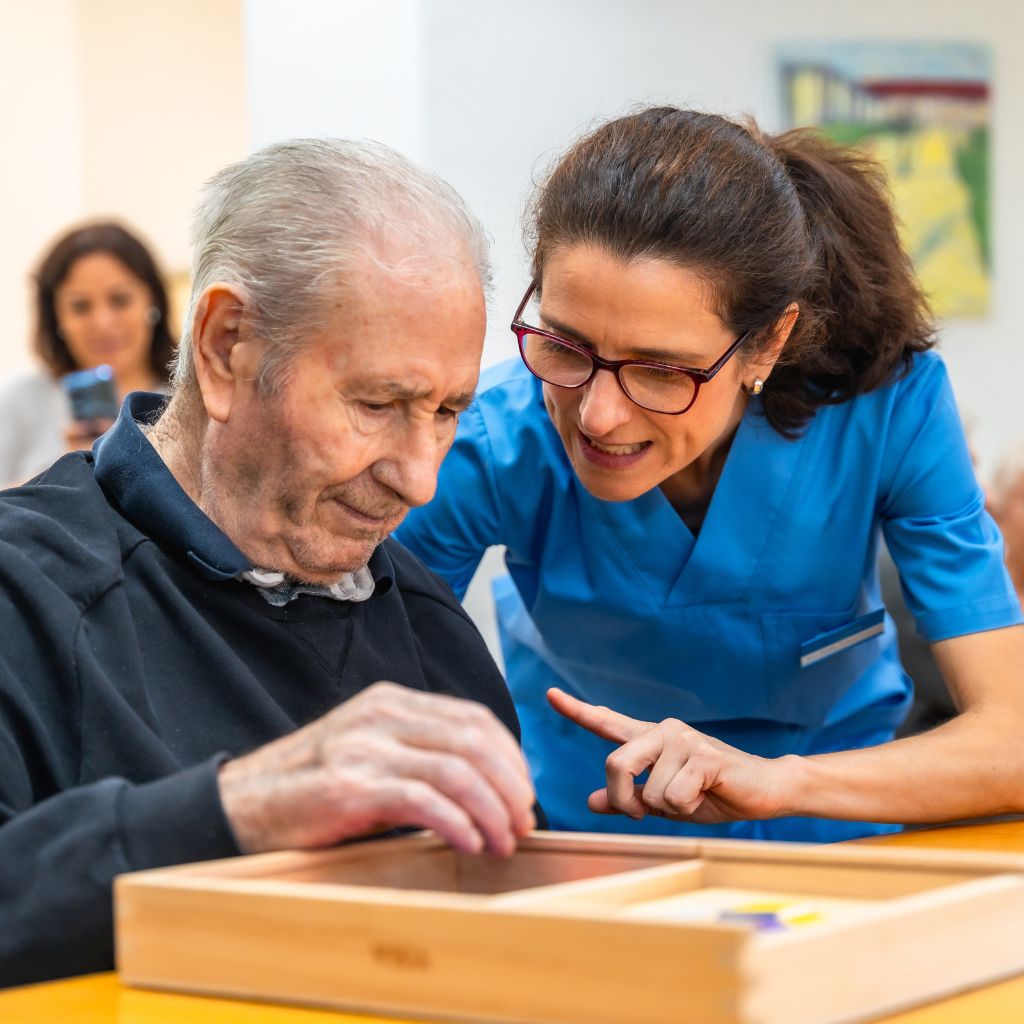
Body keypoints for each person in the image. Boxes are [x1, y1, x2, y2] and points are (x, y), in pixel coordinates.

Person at [397, 106, 1024, 844]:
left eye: (661, 370)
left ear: (767, 345)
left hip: (830, 824)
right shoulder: (493, 440)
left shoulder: (887, 411)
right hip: (586, 831)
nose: (597, 416)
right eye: (566, 346)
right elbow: (362, 686)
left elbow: (1010, 742)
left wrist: (779, 780)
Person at [0, 139, 535, 988]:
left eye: (446, 411)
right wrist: (241, 807)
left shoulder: (429, 631)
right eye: (377, 404)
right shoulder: (22, 591)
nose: (421, 478)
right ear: (225, 346)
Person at [0, 222, 176, 484]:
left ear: (153, 301)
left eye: (120, 300)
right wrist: (62, 475)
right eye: (81, 306)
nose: (102, 323)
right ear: (56, 317)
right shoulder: (20, 401)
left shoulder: (187, 402)